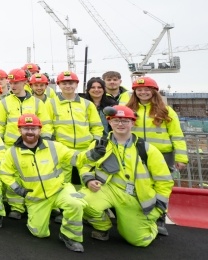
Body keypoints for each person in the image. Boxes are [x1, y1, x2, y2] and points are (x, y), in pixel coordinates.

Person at [78, 105, 173, 247]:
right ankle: (102, 226)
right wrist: (89, 180)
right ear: (109, 122)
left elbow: (164, 182)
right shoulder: (99, 144)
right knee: (78, 202)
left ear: (133, 123)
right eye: (116, 120)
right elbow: (83, 164)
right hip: (107, 190)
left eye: (125, 121)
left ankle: (148, 225)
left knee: (140, 241)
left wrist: (157, 210)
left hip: (134, 198)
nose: (120, 124)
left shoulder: (147, 150)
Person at [0, 114, 86, 252]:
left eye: (33, 128)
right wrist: (17, 189)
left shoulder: (54, 146)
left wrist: (92, 155)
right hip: (36, 198)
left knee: (75, 204)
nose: (30, 132)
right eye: (26, 128)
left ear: (40, 130)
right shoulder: (12, 153)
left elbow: (76, 158)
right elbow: (5, 173)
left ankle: (69, 236)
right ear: (19, 130)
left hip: (59, 190)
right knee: (39, 233)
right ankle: (41, 217)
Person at [125, 77, 186, 236]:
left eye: (147, 89)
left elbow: (177, 135)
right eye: (139, 90)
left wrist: (181, 157)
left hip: (162, 156)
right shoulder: (129, 110)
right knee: (137, 186)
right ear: (135, 92)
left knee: (161, 187)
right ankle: (139, 216)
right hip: (137, 153)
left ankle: (159, 217)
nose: (143, 92)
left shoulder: (166, 110)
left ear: (154, 91)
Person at [0, 68, 53, 220]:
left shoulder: (37, 103)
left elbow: (46, 123)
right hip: (11, 146)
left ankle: (32, 203)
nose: (13, 86)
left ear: (25, 82)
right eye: (11, 82)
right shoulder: (4, 103)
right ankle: (16, 207)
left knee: (32, 174)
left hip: (33, 145)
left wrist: (43, 142)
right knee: (13, 176)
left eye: (16, 82)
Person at [46, 71, 103, 185]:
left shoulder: (87, 104)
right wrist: (52, 143)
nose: (68, 86)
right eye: (64, 83)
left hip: (86, 148)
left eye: (71, 83)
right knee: (62, 182)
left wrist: (95, 142)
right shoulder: (50, 103)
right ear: (59, 85)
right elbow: (47, 125)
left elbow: (96, 125)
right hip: (62, 149)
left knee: (87, 180)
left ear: (77, 84)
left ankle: (87, 202)